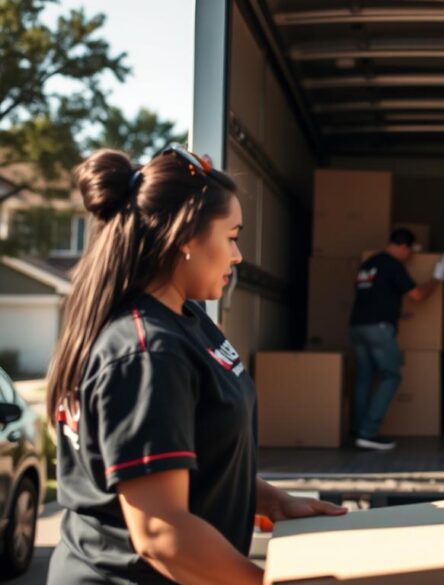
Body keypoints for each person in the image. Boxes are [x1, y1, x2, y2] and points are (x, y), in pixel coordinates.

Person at [46, 146, 347, 584]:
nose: (238, 255)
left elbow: (191, 451)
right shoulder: (147, 352)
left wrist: (269, 500)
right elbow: (160, 534)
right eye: (231, 236)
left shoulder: (185, 322)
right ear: (187, 237)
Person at [348, 229, 444, 451]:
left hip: (357, 326)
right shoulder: (392, 264)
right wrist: (437, 278)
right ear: (404, 247)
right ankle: (368, 432)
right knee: (391, 375)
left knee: (364, 377)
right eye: (410, 252)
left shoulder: (369, 264)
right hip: (379, 329)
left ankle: (357, 430)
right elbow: (417, 295)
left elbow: (376, 296)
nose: (410, 257)